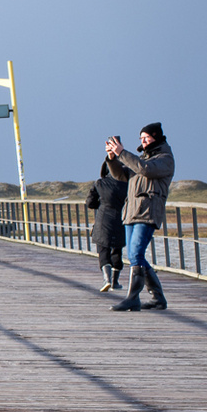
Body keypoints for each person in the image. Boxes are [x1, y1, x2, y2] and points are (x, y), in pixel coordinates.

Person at [107, 122, 175, 311]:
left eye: (146, 138)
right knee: (134, 255)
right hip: (132, 212)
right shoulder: (141, 159)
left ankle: (133, 298)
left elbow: (145, 169)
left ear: (157, 137)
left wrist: (122, 153)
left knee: (136, 253)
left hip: (148, 212)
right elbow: (122, 175)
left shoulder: (165, 159)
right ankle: (158, 298)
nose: (143, 142)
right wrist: (112, 158)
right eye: (141, 139)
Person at [85, 157, 129, 292]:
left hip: (104, 219)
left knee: (103, 249)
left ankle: (107, 279)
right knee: (117, 250)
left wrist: (101, 203)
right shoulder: (128, 184)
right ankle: (115, 281)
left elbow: (90, 203)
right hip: (122, 218)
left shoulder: (100, 183)